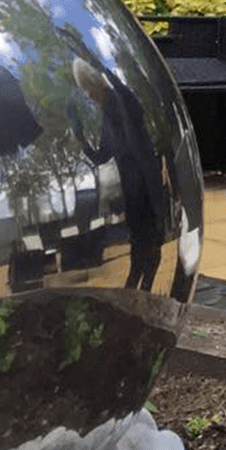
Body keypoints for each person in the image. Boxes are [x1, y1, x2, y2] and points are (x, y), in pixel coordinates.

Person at [72, 56, 167, 291]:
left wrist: (100, 65)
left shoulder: (121, 100)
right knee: (137, 233)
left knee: (150, 231)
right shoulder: (106, 114)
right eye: (85, 90)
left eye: (88, 88)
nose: (88, 96)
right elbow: (103, 156)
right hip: (130, 181)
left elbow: (128, 96)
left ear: (96, 83)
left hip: (145, 176)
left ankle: (146, 282)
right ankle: (136, 279)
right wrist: (81, 138)